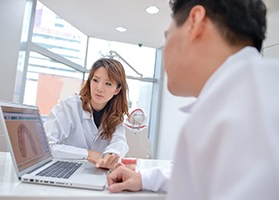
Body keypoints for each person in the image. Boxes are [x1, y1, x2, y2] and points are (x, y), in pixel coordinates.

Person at [107, 0, 279, 199]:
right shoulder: (251, 94)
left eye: (167, 35)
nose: (165, 51)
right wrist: (145, 178)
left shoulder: (245, 110)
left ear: (195, 21)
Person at [44, 58, 129, 170]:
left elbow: (119, 142)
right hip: (62, 169)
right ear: (89, 81)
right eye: (95, 80)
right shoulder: (68, 107)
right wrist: (89, 154)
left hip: (94, 172)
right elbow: (46, 147)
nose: (99, 88)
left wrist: (109, 157)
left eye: (108, 84)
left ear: (117, 90)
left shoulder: (114, 116)